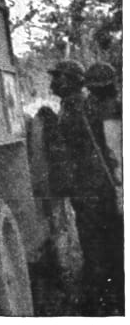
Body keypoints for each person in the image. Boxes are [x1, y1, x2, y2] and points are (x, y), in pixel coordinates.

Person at [49, 60, 124, 316]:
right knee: (103, 243)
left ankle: (103, 301)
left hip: (92, 189)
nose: (54, 82)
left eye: (58, 77)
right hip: (90, 188)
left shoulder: (78, 106)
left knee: (97, 245)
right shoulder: (74, 104)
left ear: (71, 80)